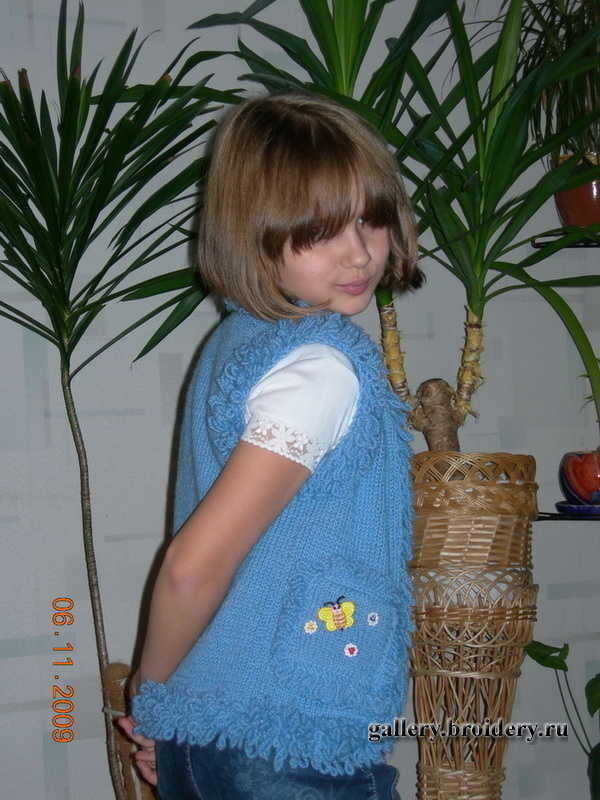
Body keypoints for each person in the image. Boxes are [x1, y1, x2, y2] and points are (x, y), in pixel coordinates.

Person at [118, 91, 423, 799]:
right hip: (286, 743)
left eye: (371, 219)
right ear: (251, 235)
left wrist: (177, 719)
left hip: (225, 734)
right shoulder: (322, 368)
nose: (358, 252)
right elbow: (193, 567)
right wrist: (151, 698)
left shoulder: (239, 342)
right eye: (320, 230)